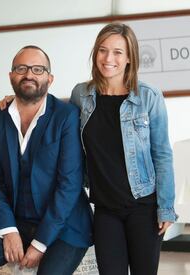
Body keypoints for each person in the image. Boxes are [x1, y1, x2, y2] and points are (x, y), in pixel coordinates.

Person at [0, 45, 93, 275]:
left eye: (38, 69)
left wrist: (40, 244)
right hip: (15, 219)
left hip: (64, 225)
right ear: (11, 76)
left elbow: (69, 185)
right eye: (21, 68)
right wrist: (9, 230)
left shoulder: (66, 116)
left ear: (50, 78)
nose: (29, 74)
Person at [70, 22, 177, 275]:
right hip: (105, 208)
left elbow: (162, 154)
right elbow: (50, 115)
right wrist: (11, 100)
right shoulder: (81, 95)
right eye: (103, 50)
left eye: (118, 52)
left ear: (130, 57)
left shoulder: (148, 96)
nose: (109, 58)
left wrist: (166, 207)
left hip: (144, 206)